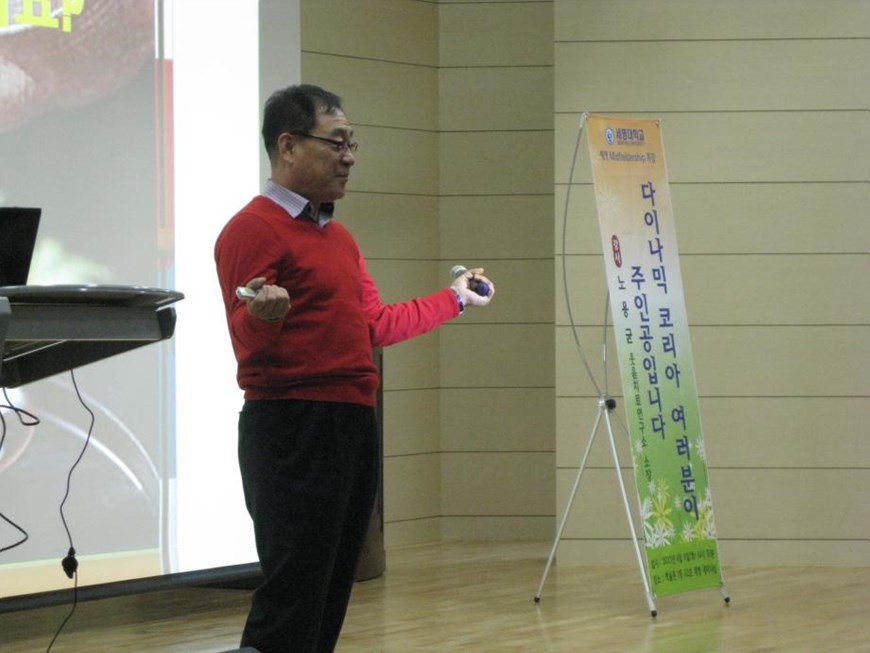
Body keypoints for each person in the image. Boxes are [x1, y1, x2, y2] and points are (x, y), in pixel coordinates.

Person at [214, 84, 494, 653]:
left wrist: (455, 299)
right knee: (294, 592)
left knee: (334, 585)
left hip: (351, 422)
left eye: (352, 144)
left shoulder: (338, 238)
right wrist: (265, 316)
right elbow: (245, 338)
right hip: (292, 425)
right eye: (336, 143)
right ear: (288, 146)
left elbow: (376, 325)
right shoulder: (252, 228)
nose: (348, 157)